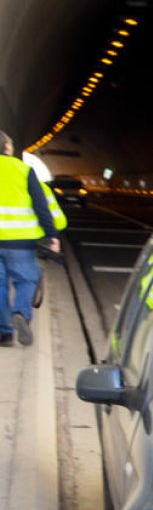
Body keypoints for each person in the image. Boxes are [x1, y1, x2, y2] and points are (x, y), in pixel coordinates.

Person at [0, 130, 60, 347]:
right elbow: (41, 206)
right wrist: (51, 235)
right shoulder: (24, 170)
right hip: (21, 242)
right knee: (26, 279)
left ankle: (4, 334)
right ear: (8, 148)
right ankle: (21, 313)